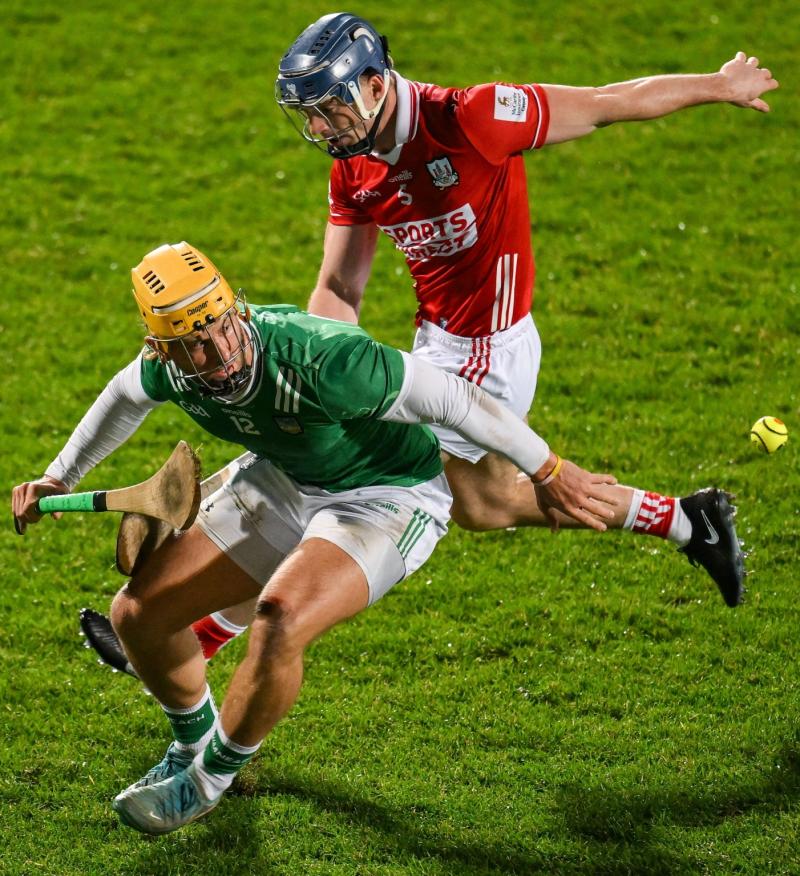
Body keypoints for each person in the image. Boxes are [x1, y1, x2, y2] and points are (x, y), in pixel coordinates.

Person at [77, 14, 767, 673]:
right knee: (482, 503)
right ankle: (688, 520)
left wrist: (718, 84)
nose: (319, 127)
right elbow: (339, 290)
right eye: (308, 114)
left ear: (375, 83)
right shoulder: (353, 166)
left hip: (491, 353)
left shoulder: (473, 120)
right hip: (435, 341)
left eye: (329, 107)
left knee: (340, 471)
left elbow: (608, 101)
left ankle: (201, 633)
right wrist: (310, 370)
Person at [13, 242, 743, 833]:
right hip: (284, 480)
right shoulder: (172, 370)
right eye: (192, 346)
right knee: (137, 616)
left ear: (234, 307)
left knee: (279, 617)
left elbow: (454, 398)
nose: (218, 355)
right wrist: (57, 475)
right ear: (163, 347)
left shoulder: (323, 359)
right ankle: (192, 741)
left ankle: (209, 779)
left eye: (220, 328)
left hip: (389, 496)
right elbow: (123, 396)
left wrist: (547, 465)